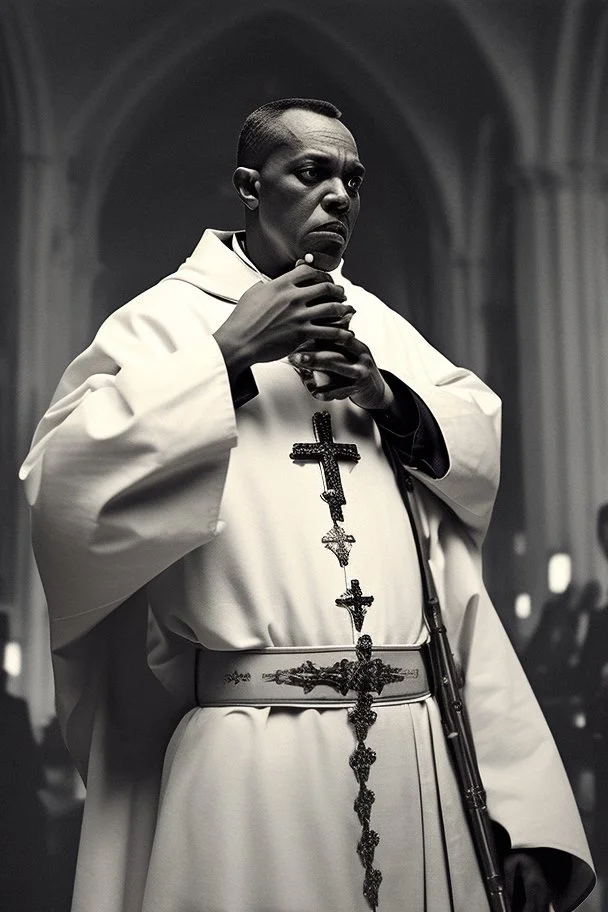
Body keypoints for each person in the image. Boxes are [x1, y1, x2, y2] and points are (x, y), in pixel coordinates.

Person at [20, 98, 594, 912]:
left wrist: (386, 396)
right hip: (247, 770)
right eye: (312, 172)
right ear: (250, 187)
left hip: (413, 757)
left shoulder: (383, 331)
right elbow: (63, 491)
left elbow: (469, 463)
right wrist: (225, 360)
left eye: (353, 180)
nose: (340, 197)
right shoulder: (160, 326)